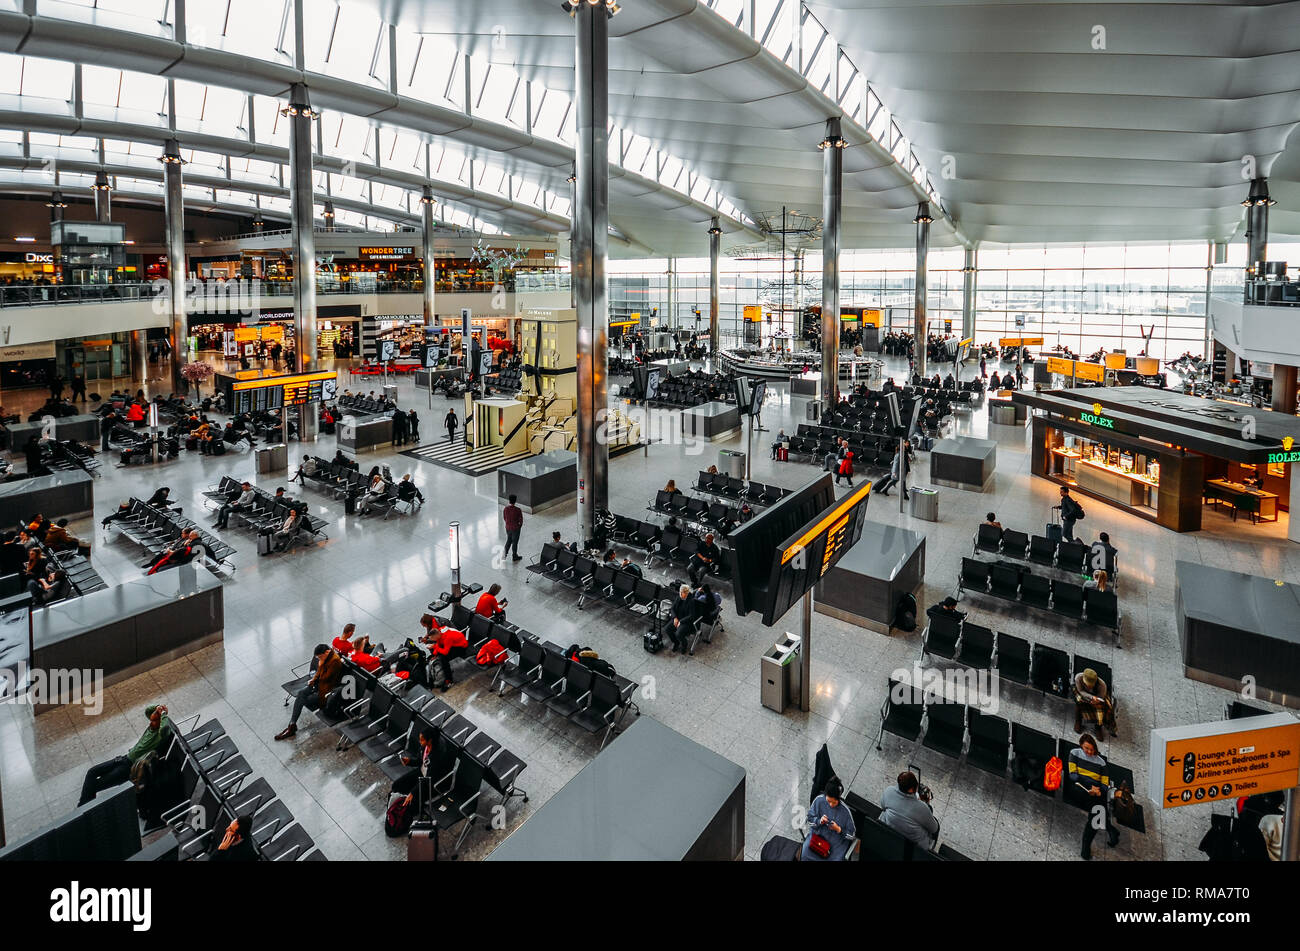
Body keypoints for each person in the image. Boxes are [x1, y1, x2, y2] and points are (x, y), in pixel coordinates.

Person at [79, 704, 171, 805]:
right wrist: (158, 707)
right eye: (151, 720)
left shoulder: (159, 735)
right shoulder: (151, 728)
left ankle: (82, 810)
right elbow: (147, 711)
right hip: (122, 759)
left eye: (154, 721)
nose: (150, 723)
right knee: (92, 772)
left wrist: (163, 714)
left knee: (94, 786)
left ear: (160, 722)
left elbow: (165, 728)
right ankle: (85, 809)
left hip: (127, 769)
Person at [275, 645, 343, 740]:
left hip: (327, 690)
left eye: (320, 657)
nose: (319, 659)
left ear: (327, 652)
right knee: (301, 693)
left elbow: (327, 679)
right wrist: (314, 679)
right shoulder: (326, 658)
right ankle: (292, 724)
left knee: (303, 700)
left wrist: (320, 667)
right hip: (318, 685)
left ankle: (292, 727)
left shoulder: (335, 662)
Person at [1070, 732, 1119, 859]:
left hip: (1096, 793)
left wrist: (1098, 791)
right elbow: (1073, 775)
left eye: (1092, 749)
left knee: (1096, 815)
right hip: (1080, 788)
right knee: (1099, 811)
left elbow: (1104, 782)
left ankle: (1086, 847)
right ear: (1081, 745)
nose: (1089, 752)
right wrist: (1089, 786)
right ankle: (1111, 830)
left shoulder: (1101, 763)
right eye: (1086, 748)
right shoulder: (1074, 753)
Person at [880, 771, 940, 851]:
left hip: (892, 831)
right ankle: (932, 845)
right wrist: (926, 806)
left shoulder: (888, 791)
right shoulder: (922, 808)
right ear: (911, 790)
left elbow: (883, 807)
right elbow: (934, 828)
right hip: (914, 846)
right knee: (936, 825)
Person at [802, 776, 856, 861]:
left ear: (839, 799)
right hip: (818, 839)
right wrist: (819, 821)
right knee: (805, 854)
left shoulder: (845, 812)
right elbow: (810, 819)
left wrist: (839, 829)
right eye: (828, 801)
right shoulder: (819, 800)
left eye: (834, 802)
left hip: (836, 846)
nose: (831, 805)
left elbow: (852, 835)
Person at [1074, 667, 1115, 738]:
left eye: (1090, 686)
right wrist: (1091, 698)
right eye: (1087, 685)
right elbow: (1081, 691)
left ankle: (1098, 727)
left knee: (1103, 708)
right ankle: (1078, 720)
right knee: (1079, 701)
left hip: (1097, 699)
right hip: (1085, 695)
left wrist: (1095, 701)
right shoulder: (1078, 678)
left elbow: (1101, 698)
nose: (1088, 687)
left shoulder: (1102, 686)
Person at [667, 584, 696, 654]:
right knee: (667, 629)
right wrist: (675, 618)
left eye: (681, 592)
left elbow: (691, 616)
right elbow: (672, 608)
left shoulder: (691, 601)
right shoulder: (679, 597)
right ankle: (676, 642)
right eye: (680, 592)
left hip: (686, 622)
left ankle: (684, 645)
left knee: (678, 634)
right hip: (677, 618)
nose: (680, 594)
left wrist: (681, 621)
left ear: (686, 593)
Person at [502, 494, 524, 562]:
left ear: (509, 500)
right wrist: (519, 527)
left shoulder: (505, 509)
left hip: (508, 528)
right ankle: (514, 556)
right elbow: (520, 520)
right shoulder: (518, 510)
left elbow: (505, 518)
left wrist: (508, 524)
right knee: (515, 542)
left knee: (509, 540)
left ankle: (504, 555)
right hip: (515, 528)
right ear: (515, 501)